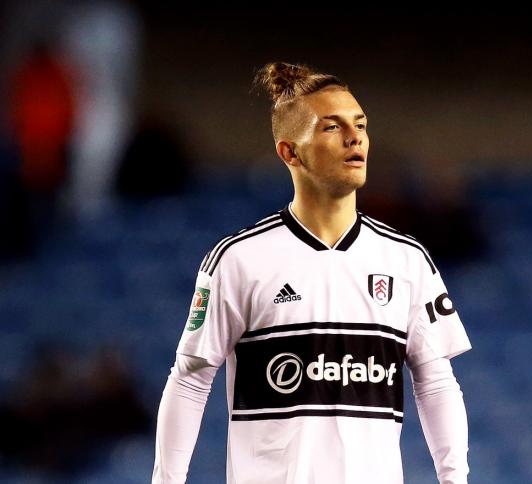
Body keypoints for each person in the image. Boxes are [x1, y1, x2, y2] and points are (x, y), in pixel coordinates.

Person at [151, 61, 473, 484]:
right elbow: (190, 381)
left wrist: (455, 479)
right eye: (332, 127)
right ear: (289, 151)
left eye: (360, 124)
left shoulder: (407, 260)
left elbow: (435, 382)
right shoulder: (239, 259)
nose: (355, 137)